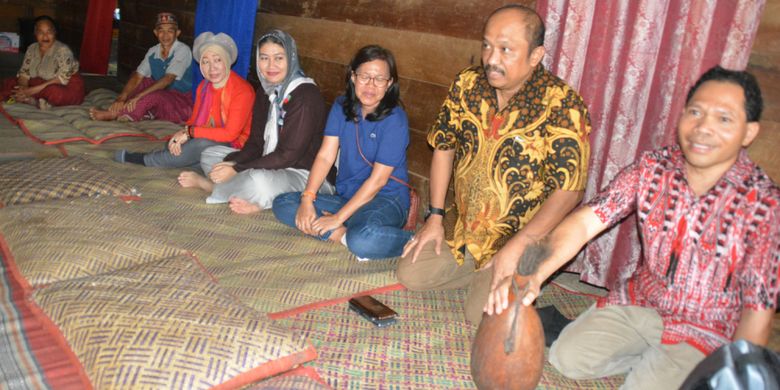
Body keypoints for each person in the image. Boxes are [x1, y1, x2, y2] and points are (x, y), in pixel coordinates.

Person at [485, 66, 779, 390]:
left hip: (707, 331)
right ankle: (650, 360)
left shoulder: (764, 206)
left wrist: (735, 374)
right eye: (695, 112)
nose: (703, 128)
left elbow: (757, 312)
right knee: (566, 358)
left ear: (749, 132)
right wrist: (531, 277)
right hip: (641, 302)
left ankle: (667, 369)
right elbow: (584, 223)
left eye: (723, 119)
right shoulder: (652, 168)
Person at [397, 4, 591, 324]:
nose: (491, 59)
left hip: (521, 240)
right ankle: (482, 273)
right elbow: (443, 145)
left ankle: (518, 278)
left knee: (481, 317)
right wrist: (434, 217)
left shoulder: (563, 105)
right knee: (412, 273)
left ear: (535, 55)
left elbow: (570, 190)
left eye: (505, 49)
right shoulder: (468, 84)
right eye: (486, 45)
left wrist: (518, 246)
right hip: (466, 233)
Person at [272, 45, 413, 260]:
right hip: (347, 197)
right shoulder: (341, 107)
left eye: (379, 79)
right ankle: (346, 235)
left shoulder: (396, 120)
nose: (371, 85)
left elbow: (378, 182)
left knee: (364, 239)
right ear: (353, 77)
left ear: (389, 83)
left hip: (386, 199)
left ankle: (412, 241)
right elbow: (325, 156)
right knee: (284, 204)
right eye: (365, 76)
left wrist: (337, 218)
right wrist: (308, 199)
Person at [178, 29, 333, 213]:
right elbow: (256, 143)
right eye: (264, 58)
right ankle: (246, 192)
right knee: (211, 155)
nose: (271, 65)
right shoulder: (266, 91)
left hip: (306, 174)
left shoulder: (305, 96)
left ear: (291, 58)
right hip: (268, 161)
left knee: (259, 181)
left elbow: (287, 156)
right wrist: (233, 163)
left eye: (279, 58)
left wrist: (238, 169)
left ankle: (211, 187)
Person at [114, 32, 254, 171]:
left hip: (237, 148)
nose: (212, 68)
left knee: (199, 145)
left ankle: (144, 159)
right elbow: (193, 120)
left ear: (227, 61)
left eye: (217, 60)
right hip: (211, 140)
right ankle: (181, 161)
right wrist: (183, 133)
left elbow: (230, 134)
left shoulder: (242, 91)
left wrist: (189, 133)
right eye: (205, 62)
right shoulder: (204, 87)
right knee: (174, 144)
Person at [89, 12, 192, 123]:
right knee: (141, 81)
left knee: (155, 95)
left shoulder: (182, 50)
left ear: (177, 33)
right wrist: (122, 98)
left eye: (170, 31)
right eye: (161, 31)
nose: (165, 35)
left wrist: (139, 96)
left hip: (180, 100)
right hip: (163, 93)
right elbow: (138, 77)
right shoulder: (153, 51)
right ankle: (133, 109)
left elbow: (168, 79)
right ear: (156, 33)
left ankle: (117, 114)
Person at [0, 15, 84, 109]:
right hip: (40, 82)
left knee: (54, 93)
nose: (45, 36)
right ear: (35, 33)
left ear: (55, 32)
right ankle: (32, 100)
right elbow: (24, 73)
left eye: (49, 32)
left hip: (64, 86)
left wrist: (30, 91)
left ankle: (33, 100)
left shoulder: (63, 50)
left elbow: (61, 79)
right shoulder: (32, 48)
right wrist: (22, 89)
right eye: (41, 32)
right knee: (10, 83)